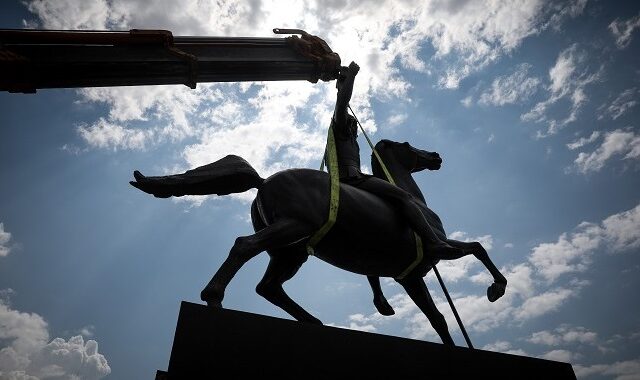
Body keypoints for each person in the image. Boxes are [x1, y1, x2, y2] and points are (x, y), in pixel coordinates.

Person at [331, 61, 464, 260]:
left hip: (348, 178)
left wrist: (342, 85)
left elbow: (342, 101)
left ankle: (377, 291)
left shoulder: (346, 137)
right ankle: (434, 243)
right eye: (353, 124)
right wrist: (351, 77)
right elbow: (342, 104)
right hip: (352, 178)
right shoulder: (340, 129)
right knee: (404, 197)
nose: (355, 128)